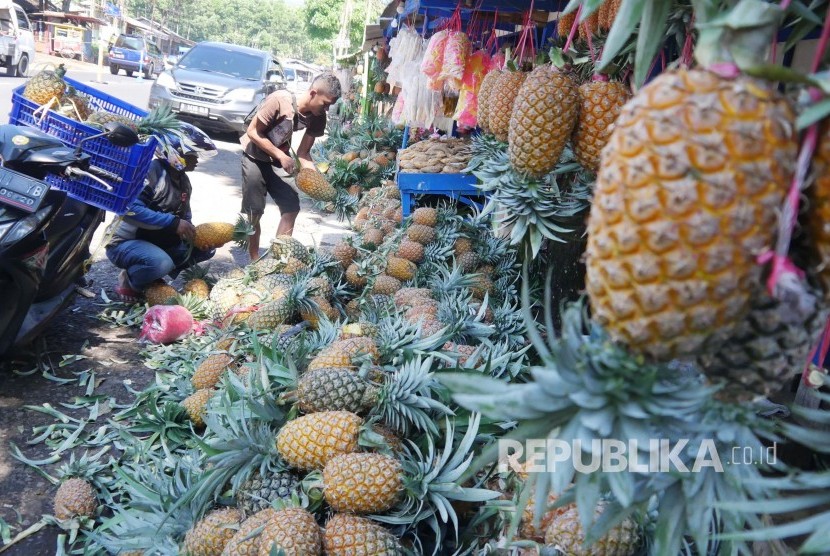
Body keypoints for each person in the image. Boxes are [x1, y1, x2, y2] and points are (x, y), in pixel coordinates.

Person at [107, 122, 218, 302]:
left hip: (157, 241)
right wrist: (171, 223)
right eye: (192, 154)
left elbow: (185, 217)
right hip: (125, 243)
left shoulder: (184, 181)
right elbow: (129, 209)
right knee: (161, 263)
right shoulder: (152, 172)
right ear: (176, 153)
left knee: (205, 250)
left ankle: (151, 278)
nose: (196, 159)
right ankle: (130, 280)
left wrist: (197, 237)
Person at [240, 72, 342, 261]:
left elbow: (303, 153)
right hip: (254, 155)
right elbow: (252, 131)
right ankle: (254, 260)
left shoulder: (318, 116)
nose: (327, 109)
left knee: (291, 206)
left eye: (330, 105)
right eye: (325, 103)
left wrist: (317, 179)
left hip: (279, 159)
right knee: (254, 212)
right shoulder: (280, 101)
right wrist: (280, 154)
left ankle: (277, 258)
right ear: (313, 93)